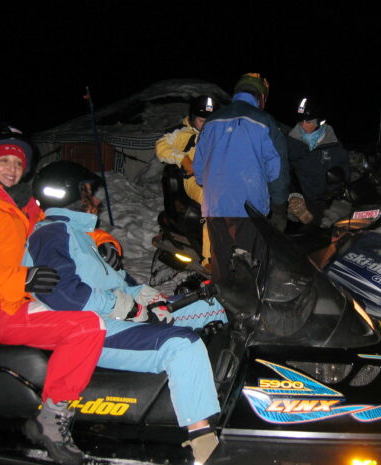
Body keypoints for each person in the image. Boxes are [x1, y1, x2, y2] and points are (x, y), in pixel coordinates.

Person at [24, 160, 226, 465]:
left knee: (212, 306)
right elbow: (64, 294)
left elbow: (113, 283)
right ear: (69, 194)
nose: (94, 200)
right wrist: (124, 306)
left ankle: (225, 386)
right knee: (182, 346)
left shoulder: (78, 235)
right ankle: (203, 445)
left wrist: (144, 295)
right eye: (88, 192)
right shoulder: (51, 235)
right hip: (93, 329)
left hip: (117, 314)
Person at [0, 128, 106, 465]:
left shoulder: (22, 203)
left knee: (97, 314)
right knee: (86, 327)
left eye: (18, 163)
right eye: (4, 161)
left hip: (21, 300)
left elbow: (65, 225)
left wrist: (104, 243)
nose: (12, 168)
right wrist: (21, 280)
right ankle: (50, 420)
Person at [193, 73, 289, 284]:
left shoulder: (211, 122)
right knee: (252, 268)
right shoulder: (265, 121)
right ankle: (251, 311)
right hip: (249, 208)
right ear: (261, 97)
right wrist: (280, 207)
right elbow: (277, 170)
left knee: (221, 267)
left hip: (215, 207)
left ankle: (223, 309)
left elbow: (199, 171)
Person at [155, 95, 219, 270]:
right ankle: (210, 259)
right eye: (201, 120)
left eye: (210, 120)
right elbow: (161, 147)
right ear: (192, 118)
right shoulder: (182, 132)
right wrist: (182, 159)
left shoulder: (219, 133)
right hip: (194, 179)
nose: (205, 124)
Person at [287, 97, 350, 226]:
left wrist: (337, 195)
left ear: (320, 122)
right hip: (302, 206)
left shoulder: (333, 144)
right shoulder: (290, 143)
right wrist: (294, 196)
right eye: (300, 121)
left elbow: (344, 173)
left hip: (329, 205)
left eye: (308, 122)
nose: (303, 126)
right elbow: (283, 172)